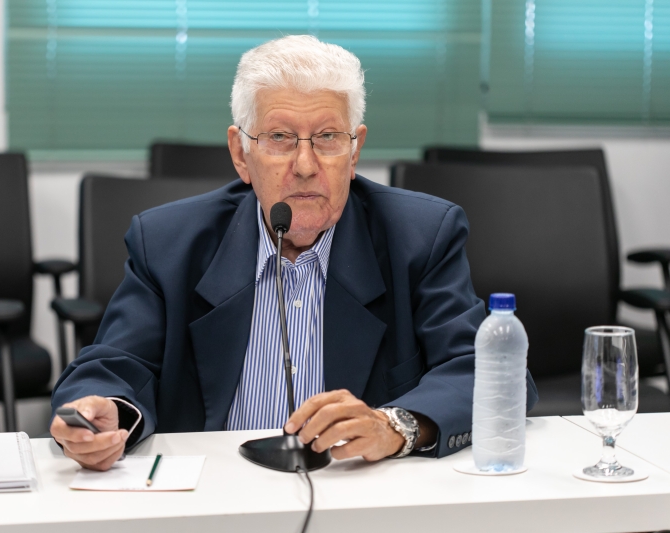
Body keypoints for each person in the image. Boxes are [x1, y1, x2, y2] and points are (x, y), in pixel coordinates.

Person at [51, 35, 538, 471]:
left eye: (327, 138)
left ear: (355, 151)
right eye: (280, 138)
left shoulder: (420, 236)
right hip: (212, 493)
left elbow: (491, 373)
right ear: (241, 154)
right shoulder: (168, 242)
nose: (305, 165)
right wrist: (104, 412)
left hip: (360, 498)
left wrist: (394, 426)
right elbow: (114, 364)